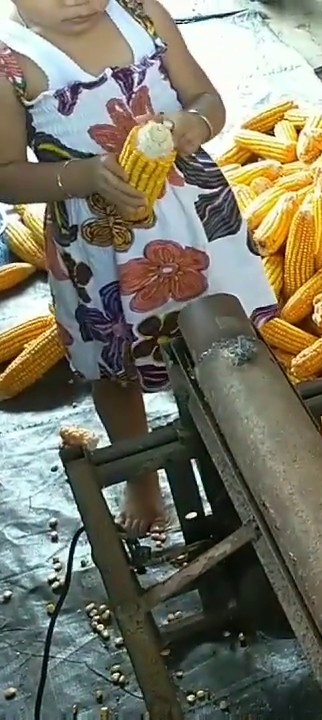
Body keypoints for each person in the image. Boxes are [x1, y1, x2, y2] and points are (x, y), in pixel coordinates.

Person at [0, 0, 278, 535]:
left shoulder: (141, 14)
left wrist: (193, 121)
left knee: (227, 343)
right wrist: (83, 176)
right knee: (115, 368)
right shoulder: (13, 65)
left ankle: (250, 452)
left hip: (197, 222)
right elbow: (6, 174)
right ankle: (141, 474)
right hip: (101, 245)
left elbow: (207, 99)